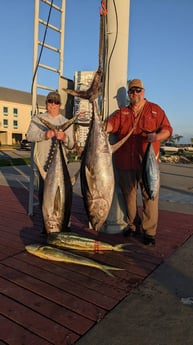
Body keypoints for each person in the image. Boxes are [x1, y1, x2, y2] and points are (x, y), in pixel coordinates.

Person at [106, 79, 173, 245]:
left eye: (138, 90)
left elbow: (167, 130)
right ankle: (133, 225)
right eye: (131, 91)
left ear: (143, 91)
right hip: (125, 163)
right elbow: (110, 126)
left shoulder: (155, 110)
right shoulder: (121, 113)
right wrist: (100, 126)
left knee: (150, 197)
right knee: (129, 197)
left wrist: (156, 137)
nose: (134, 93)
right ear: (128, 94)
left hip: (148, 164)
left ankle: (149, 232)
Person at [27, 91, 74, 233]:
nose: (53, 105)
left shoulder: (65, 122)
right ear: (46, 103)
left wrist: (64, 137)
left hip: (61, 168)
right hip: (43, 168)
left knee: (64, 196)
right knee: (44, 196)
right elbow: (29, 136)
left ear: (60, 105)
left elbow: (71, 145)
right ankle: (46, 225)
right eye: (50, 101)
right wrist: (44, 134)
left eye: (56, 102)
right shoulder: (37, 119)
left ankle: (65, 224)